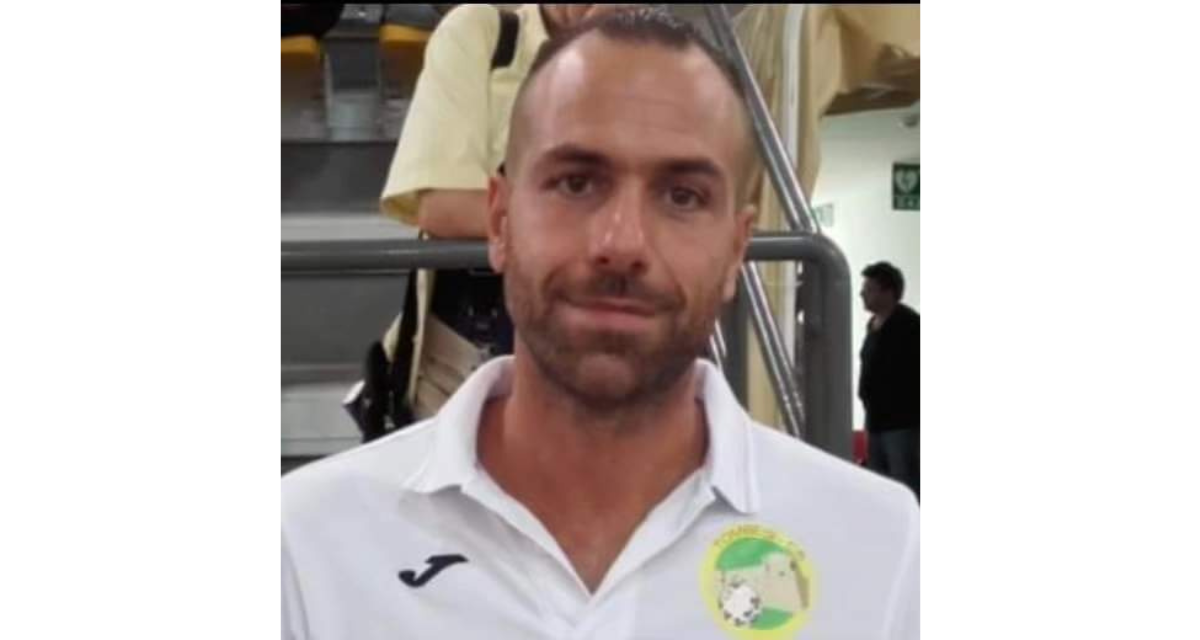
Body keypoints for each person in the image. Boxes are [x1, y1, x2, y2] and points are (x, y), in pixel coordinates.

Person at [286, 10, 918, 639]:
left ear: (736, 248)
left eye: (682, 196)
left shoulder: (880, 548)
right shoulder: (305, 547)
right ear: (500, 221)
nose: (622, 243)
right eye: (576, 183)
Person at [347, 5, 637, 441]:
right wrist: (597, 230)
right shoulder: (483, 34)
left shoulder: (662, 63)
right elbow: (443, 206)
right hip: (469, 368)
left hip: (613, 361)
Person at [858, 261, 921, 499]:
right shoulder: (872, 326)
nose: (862, 294)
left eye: (869, 289)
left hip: (902, 424)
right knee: (881, 487)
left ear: (888, 292)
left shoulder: (911, 326)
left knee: (904, 487)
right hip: (876, 422)